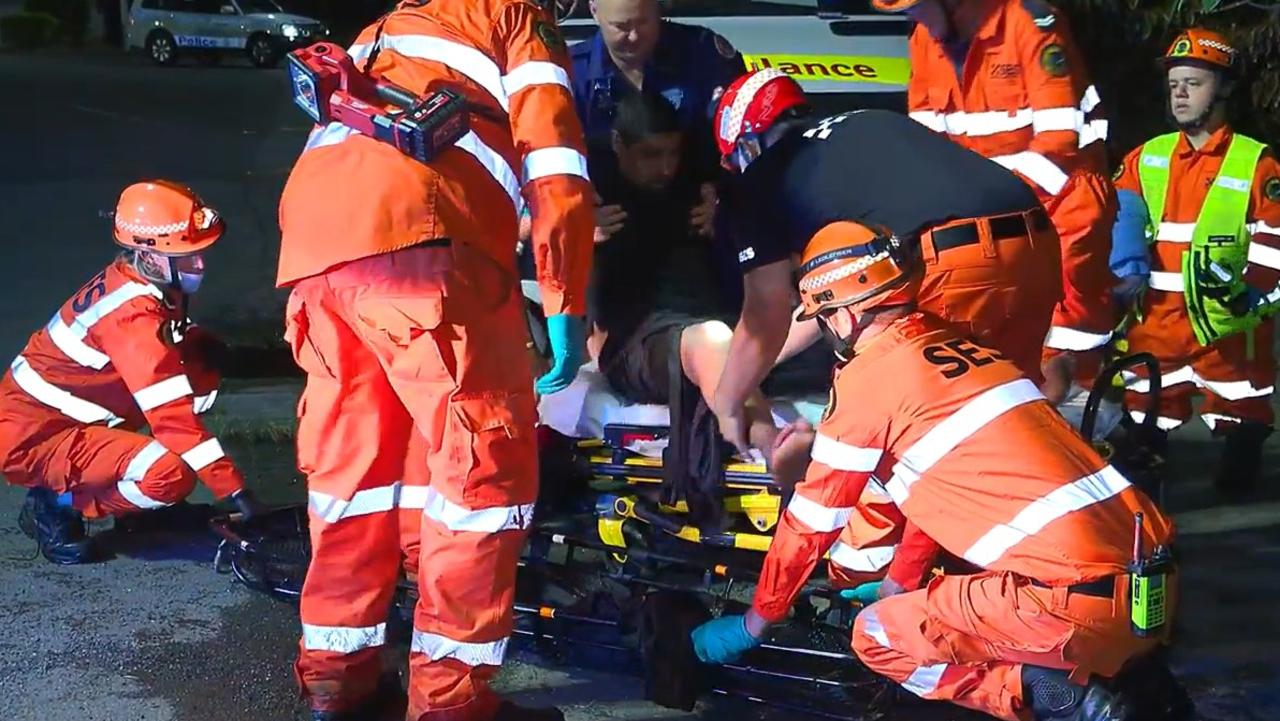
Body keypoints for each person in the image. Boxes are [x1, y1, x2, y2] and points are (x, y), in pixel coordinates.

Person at [691, 220, 1178, 721]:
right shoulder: (964, 351)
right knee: (925, 604)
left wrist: (754, 622)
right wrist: (899, 583)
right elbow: (935, 499)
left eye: (827, 316)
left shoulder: (869, 382)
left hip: (1071, 606)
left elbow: (811, 525)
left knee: (877, 636)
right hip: (1152, 588)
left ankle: (1053, 695)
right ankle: (1136, 683)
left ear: (848, 313)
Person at [274, 0, 594, 718]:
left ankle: (336, 679)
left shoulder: (387, 29)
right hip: (424, 248)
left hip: (319, 253)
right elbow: (559, 178)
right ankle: (449, 702)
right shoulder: (514, 17)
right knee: (481, 479)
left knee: (357, 473)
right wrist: (566, 306)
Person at [707, 68, 1062, 456]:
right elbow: (835, 295)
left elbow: (765, 312)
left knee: (916, 432)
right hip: (1036, 241)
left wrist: (726, 401)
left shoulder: (762, 180)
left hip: (950, 263)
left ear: (747, 146)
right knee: (1010, 419)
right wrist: (758, 366)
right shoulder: (869, 123)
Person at [0, 180, 260, 565]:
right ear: (150, 256)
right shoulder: (131, 316)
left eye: (200, 252)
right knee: (169, 473)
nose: (200, 264)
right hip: (33, 437)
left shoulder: (138, 277)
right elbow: (173, 421)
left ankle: (141, 506)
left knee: (198, 363)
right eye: (188, 256)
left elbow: (167, 350)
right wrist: (238, 493)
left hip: (53, 416)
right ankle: (57, 504)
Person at [873, 0, 1118, 399]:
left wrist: (981, 202)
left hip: (1064, 205)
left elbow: (1059, 142)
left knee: (1058, 351)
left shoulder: (1030, 22)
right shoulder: (926, 38)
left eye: (917, 7)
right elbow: (925, 144)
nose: (912, 19)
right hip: (990, 214)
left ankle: (1072, 424)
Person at [1113, 28, 1280, 500]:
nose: (1180, 93)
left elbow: (1275, 239)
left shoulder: (1255, 163)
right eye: (1174, 84)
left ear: (1224, 88)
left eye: (1194, 83)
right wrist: (1124, 268)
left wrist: (1254, 293)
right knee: (1142, 442)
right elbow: (1120, 211)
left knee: (1242, 433)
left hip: (1226, 327)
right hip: (1157, 323)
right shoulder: (1147, 156)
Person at [583, 89, 781, 453]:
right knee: (712, 340)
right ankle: (771, 444)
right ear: (618, 145)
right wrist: (574, 233)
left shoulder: (700, 184)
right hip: (639, 342)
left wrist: (721, 206)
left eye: (672, 153)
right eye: (650, 155)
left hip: (719, 322)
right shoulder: (590, 194)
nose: (665, 168)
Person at [570, 0, 746, 163]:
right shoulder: (570, 75)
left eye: (643, 22)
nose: (634, 36)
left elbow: (745, 143)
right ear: (594, 10)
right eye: (621, 27)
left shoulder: (703, 55)